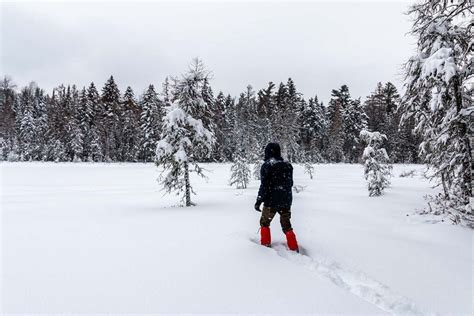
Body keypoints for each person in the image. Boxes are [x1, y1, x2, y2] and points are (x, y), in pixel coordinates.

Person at [254, 143, 299, 251]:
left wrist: (259, 200)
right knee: (287, 225)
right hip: (286, 200)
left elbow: (264, 185)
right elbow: (290, 183)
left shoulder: (267, 166)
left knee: (264, 223)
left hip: (271, 202)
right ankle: (294, 248)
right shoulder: (288, 166)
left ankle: (265, 246)